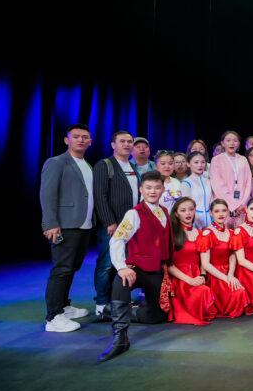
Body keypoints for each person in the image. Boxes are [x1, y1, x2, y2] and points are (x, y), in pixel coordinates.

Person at [99, 170, 172, 362]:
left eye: (157, 187)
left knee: (158, 316)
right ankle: (120, 337)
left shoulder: (165, 212)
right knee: (121, 280)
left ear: (163, 190)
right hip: (138, 268)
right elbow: (117, 239)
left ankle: (114, 310)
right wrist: (121, 266)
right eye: (148, 188)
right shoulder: (134, 213)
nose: (153, 191)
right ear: (141, 189)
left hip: (157, 271)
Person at [40, 124, 95, 332]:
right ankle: (53, 317)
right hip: (65, 225)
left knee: (72, 267)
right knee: (61, 269)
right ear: (66, 140)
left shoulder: (86, 164)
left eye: (85, 137)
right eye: (76, 136)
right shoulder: (56, 162)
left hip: (84, 224)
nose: (81, 140)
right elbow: (47, 194)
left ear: (90, 142)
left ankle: (64, 306)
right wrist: (51, 223)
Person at [92, 130, 140, 322]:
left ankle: (119, 300)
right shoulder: (105, 165)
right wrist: (109, 222)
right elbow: (100, 196)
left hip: (130, 225)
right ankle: (101, 303)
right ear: (113, 144)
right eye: (122, 141)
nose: (127, 144)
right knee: (106, 264)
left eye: (129, 141)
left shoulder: (132, 166)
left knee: (123, 263)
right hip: (112, 225)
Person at [166, 197, 216, 325]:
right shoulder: (172, 234)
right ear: (176, 214)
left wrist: (203, 275)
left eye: (191, 209)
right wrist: (190, 280)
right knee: (202, 292)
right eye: (183, 210)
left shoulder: (200, 233)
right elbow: (169, 265)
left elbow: (203, 260)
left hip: (198, 275)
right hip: (180, 279)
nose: (188, 213)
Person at [198, 199, 250, 318]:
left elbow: (232, 255)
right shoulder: (207, 234)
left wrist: (230, 274)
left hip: (230, 271)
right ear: (211, 213)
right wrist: (226, 278)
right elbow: (205, 264)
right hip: (215, 274)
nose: (221, 214)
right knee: (238, 293)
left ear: (228, 212)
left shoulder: (231, 232)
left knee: (245, 289)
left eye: (224, 211)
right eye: (217, 211)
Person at [210, 131, 253, 228]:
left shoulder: (243, 159)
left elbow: (248, 183)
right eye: (228, 140)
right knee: (223, 234)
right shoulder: (216, 160)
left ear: (239, 143)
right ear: (222, 143)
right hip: (223, 206)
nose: (232, 143)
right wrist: (233, 205)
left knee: (241, 234)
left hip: (241, 207)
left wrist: (242, 204)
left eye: (235, 141)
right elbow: (218, 185)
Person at [180, 152, 214, 229]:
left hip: (210, 218)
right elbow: (187, 206)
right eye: (196, 162)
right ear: (188, 164)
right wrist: (201, 225)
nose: (200, 165)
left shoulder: (208, 181)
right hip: (194, 220)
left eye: (203, 162)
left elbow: (212, 201)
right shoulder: (186, 183)